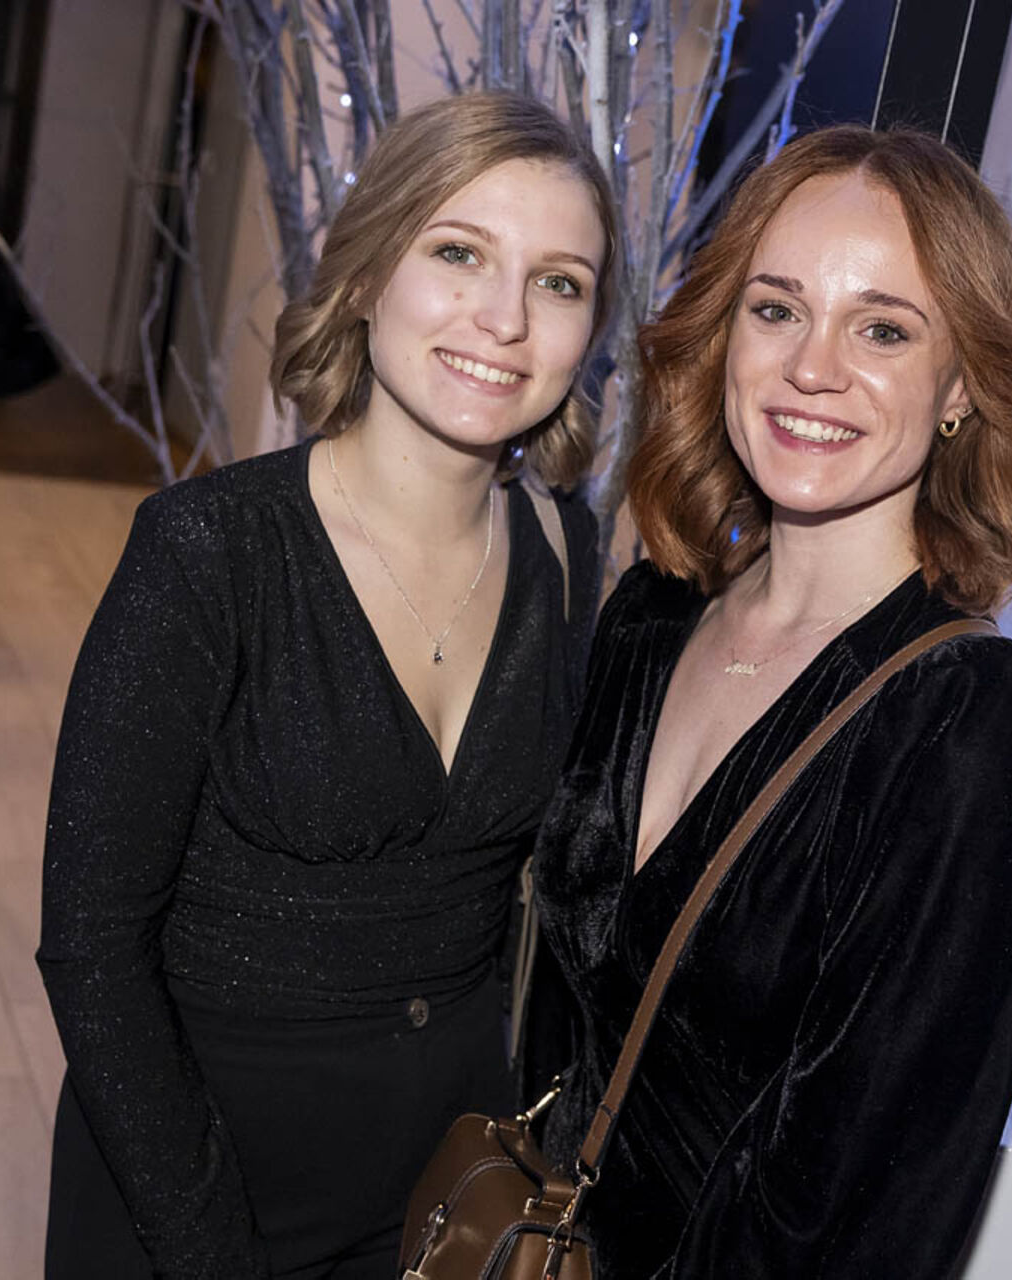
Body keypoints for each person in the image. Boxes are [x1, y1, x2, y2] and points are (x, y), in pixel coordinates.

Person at [35, 93, 615, 1279]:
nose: (505, 318)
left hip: (443, 1194)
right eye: (459, 253)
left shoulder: (566, 553)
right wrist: (210, 1250)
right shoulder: (211, 552)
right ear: (363, 275)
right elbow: (92, 945)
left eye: (559, 282)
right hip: (190, 1189)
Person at [531, 124, 1012, 1277]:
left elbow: (879, 1207)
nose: (812, 368)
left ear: (960, 386)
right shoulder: (652, 614)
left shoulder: (970, 719)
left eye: (883, 329)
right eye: (777, 308)